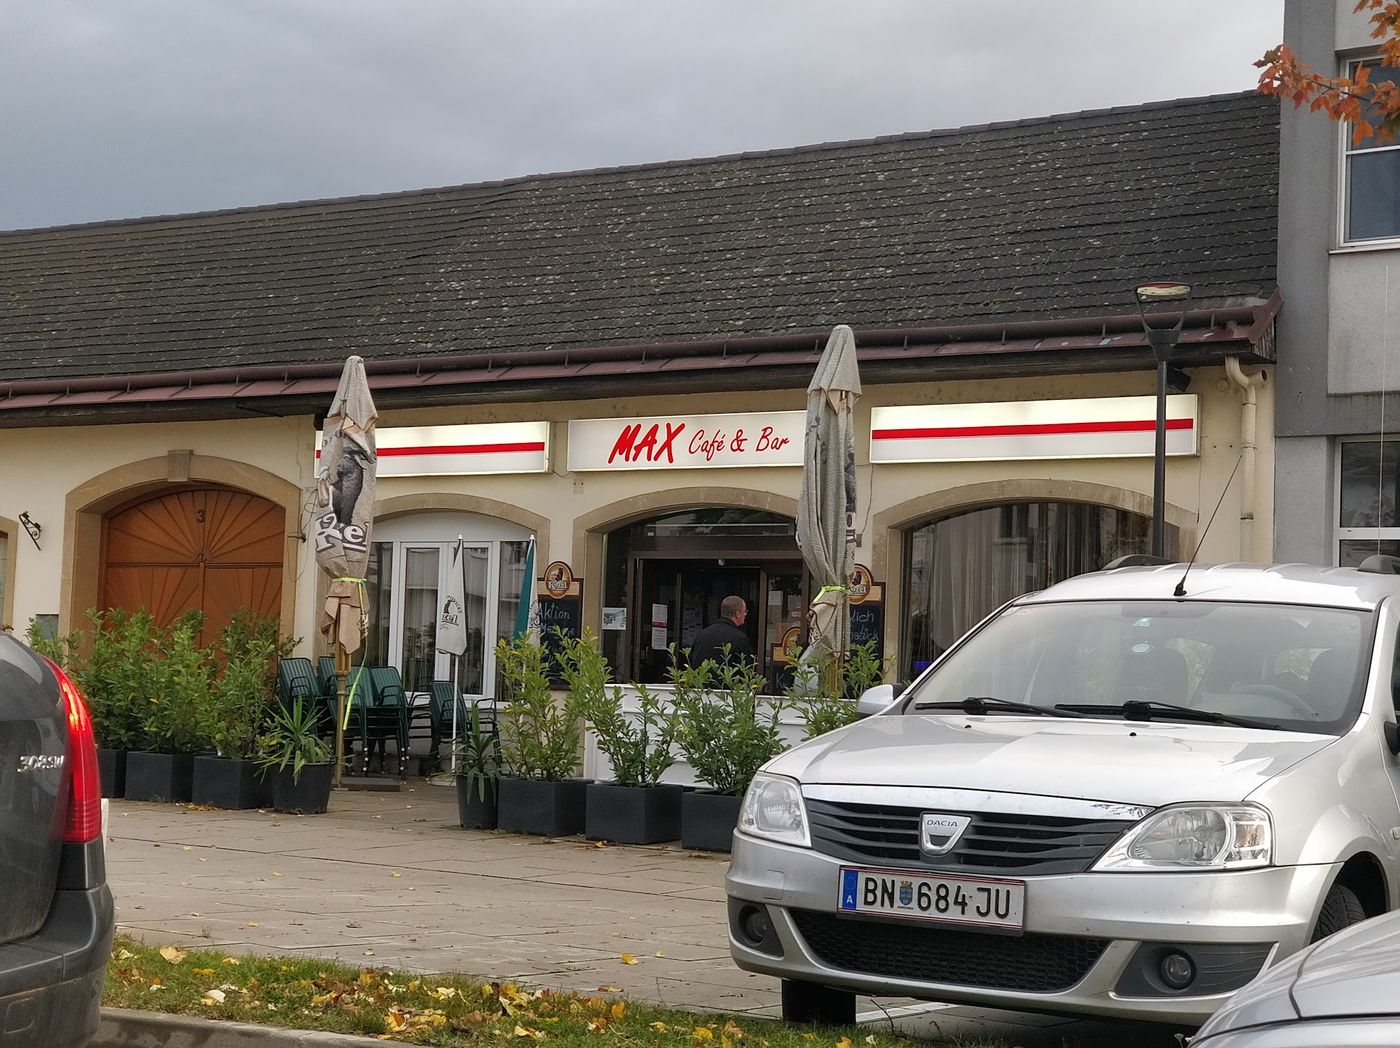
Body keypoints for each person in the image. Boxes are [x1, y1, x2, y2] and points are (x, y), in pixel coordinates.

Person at [686, 595, 755, 668]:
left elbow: (692, 662)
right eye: (745, 611)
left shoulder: (702, 634)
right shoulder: (740, 639)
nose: (745, 614)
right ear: (737, 614)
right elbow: (745, 669)